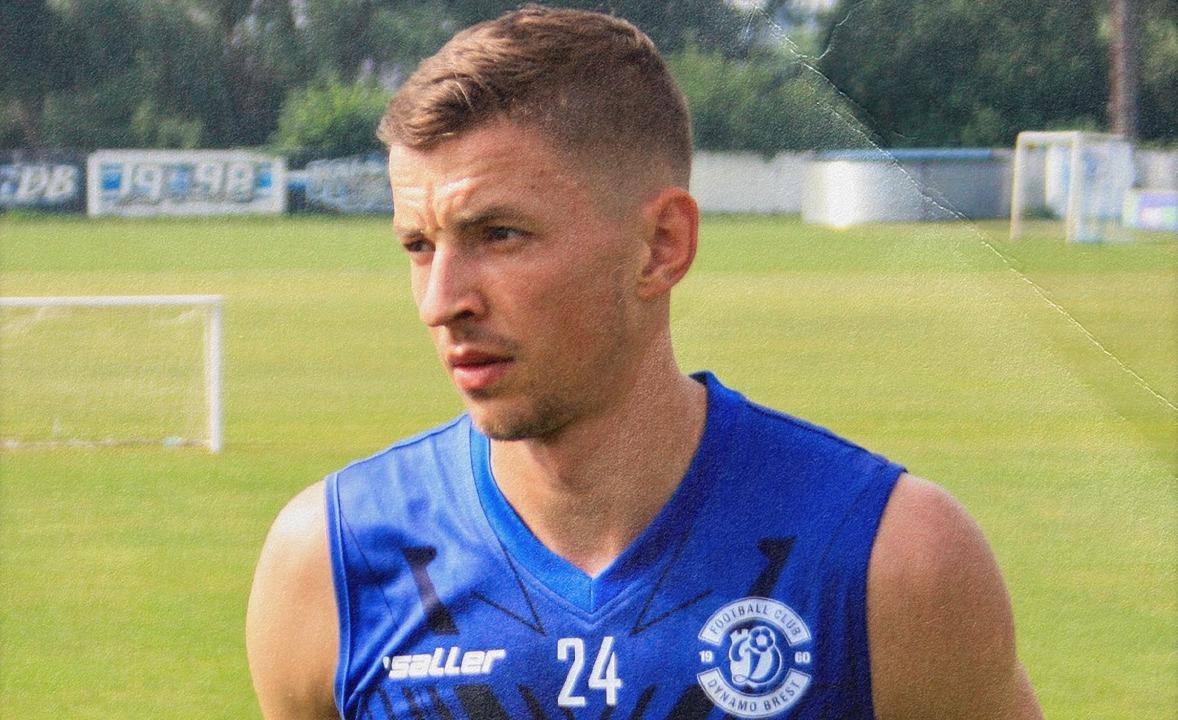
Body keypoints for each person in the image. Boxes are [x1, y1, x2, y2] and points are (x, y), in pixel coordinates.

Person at [246, 6, 1044, 719]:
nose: (441, 300)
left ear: (662, 246)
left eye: (500, 235)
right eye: (419, 246)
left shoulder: (890, 562)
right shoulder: (330, 564)